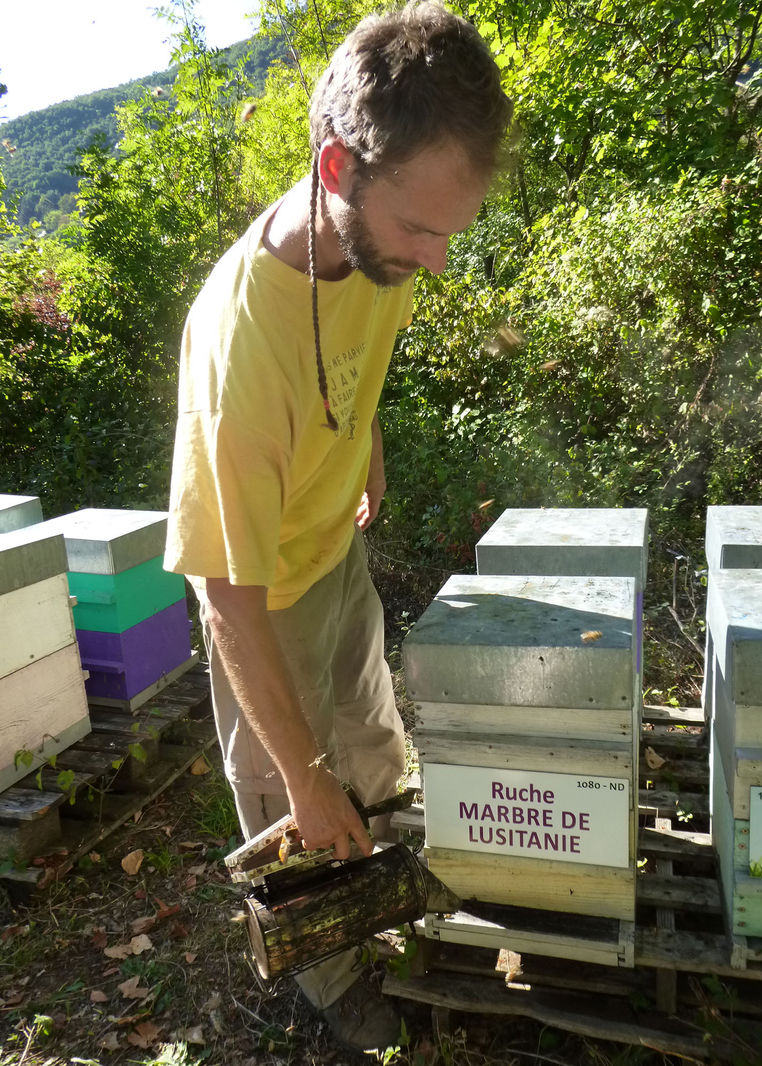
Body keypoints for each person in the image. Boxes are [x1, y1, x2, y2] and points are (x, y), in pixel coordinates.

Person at [164, 0, 511, 1050]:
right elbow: (226, 598)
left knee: (370, 744)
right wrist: (305, 783)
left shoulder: (381, 241)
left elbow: (357, 353)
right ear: (335, 170)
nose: (437, 261)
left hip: (331, 555)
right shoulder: (240, 352)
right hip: (256, 602)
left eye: (451, 231)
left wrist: (359, 436)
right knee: (295, 807)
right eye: (420, 231)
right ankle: (331, 983)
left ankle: (384, 898)